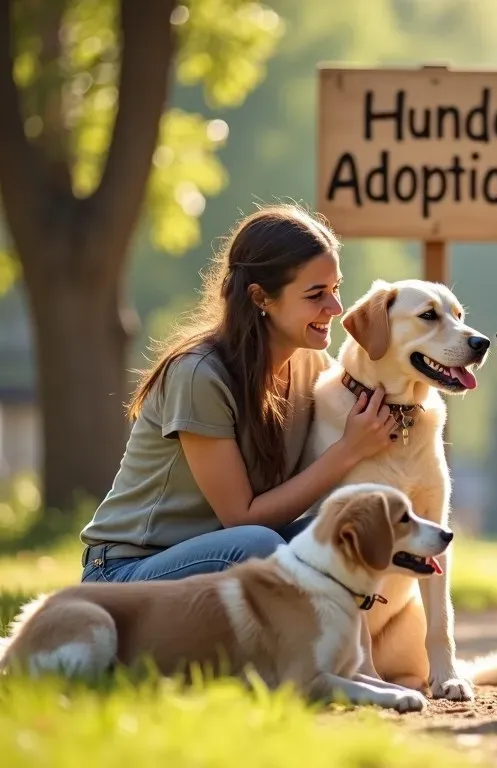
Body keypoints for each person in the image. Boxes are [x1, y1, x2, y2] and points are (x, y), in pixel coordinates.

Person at [80, 204, 396, 583]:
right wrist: (348, 450)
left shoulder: (314, 367)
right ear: (261, 298)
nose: (336, 307)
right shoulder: (199, 375)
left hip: (219, 559)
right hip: (126, 570)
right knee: (257, 545)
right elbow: (240, 518)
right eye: (316, 295)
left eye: (336, 289)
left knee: (354, 531)